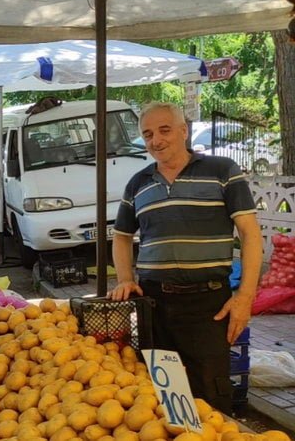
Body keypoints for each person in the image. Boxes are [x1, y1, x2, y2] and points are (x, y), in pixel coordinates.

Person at [108, 102, 263, 414]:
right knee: (166, 400)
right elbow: (122, 236)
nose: (156, 140)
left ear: (183, 131)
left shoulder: (222, 171)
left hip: (209, 307)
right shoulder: (138, 183)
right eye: (148, 134)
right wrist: (125, 278)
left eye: (164, 130)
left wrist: (245, 296)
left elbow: (250, 234)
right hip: (155, 306)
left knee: (211, 398)